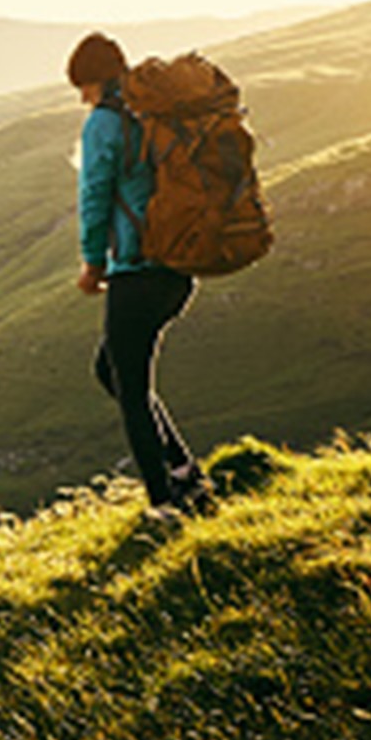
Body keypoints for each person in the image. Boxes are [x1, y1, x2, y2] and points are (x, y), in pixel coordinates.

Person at [66, 33, 217, 518]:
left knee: (128, 385)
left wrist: (93, 263)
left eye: (82, 87)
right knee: (110, 370)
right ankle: (182, 471)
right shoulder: (155, 116)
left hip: (138, 272)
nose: (82, 98)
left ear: (94, 81)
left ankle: (164, 504)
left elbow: (94, 198)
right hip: (179, 267)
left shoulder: (105, 125)